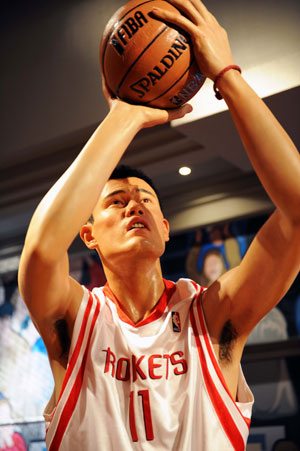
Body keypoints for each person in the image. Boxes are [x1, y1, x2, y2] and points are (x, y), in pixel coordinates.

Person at [18, 1, 300, 450]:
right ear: (87, 234)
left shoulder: (210, 318)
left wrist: (227, 74)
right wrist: (124, 117)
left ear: (165, 228)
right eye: (115, 201)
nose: (134, 206)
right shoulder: (75, 321)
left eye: (145, 199)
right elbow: (40, 250)